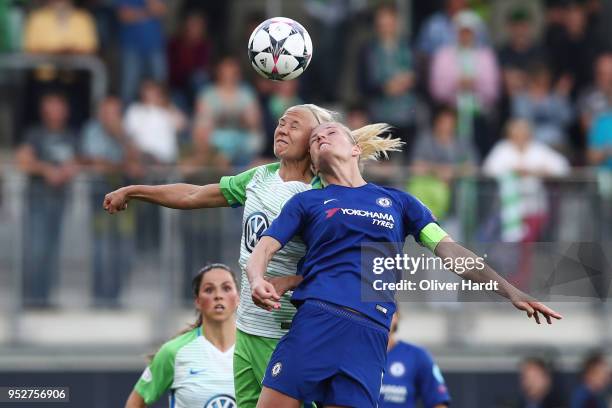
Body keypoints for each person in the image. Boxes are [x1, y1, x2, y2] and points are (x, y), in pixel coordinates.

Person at [247, 121, 562, 407]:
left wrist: (511, 291)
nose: (320, 138)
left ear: (355, 148)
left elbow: (452, 253)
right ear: (313, 163)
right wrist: (256, 277)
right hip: (318, 320)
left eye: (330, 132)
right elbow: (264, 247)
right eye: (314, 140)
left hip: (370, 334)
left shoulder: (400, 202)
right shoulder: (306, 202)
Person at [104, 104, 337, 408]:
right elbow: (193, 194)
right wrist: (134, 190)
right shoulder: (259, 177)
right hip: (247, 332)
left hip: (287, 336)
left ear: (313, 139)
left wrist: (289, 281)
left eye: (294, 125)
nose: (282, 128)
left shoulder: (324, 196)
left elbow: (341, 269)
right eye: (281, 122)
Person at [125, 263, 239, 408]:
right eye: (209, 290)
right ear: (197, 301)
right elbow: (135, 402)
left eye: (226, 288)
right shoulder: (173, 351)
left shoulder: (254, 348)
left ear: (238, 298)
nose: (218, 296)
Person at [16, 91, 79, 307]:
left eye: (59, 107)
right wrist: (46, 170)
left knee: (51, 251)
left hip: (59, 202)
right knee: (35, 250)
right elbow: (23, 160)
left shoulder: (70, 136)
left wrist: (68, 171)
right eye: (52, 107)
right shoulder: (34, 134)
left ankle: (44, 299)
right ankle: (30, 299)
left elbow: (78, 161)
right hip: (38, 202)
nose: (56, 112)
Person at [81, 95, 142, 307]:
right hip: (99, 202)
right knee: (101, 252)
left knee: (125, 253)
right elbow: (94, 162)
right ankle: (99, 298)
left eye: (115, 113)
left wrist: (121, 137)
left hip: (125, 206)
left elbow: (137, 163)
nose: (110, 118)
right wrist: (120, 165)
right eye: (107, 113)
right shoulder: (92, 131)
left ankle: (116, 297)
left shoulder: (126, 134)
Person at [358, 3, 420, 161]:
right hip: (380, 117)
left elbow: (421, 78)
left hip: (408, 115)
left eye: (389, 22)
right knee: (383, 163)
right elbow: (363, 85)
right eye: (382, 23)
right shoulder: (368, 50)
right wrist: (385, 88)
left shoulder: (409, 46)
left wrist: (408, 80)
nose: (386, 27)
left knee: (409, 161)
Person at [192, 56, 263, 167]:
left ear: (238, 74)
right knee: (205, 136)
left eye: (232, 73)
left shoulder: (246, 93)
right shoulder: (208, 94)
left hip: (241, 137)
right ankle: (221, 161)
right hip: (217, 137)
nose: (229, 76)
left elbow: (254, 122)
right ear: (219, 73)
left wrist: (243, 119)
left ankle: (227, 159)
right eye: (225, 73)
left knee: (255, 140)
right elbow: (203, 122)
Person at [379, 312, 450, 408]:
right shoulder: (357, 353)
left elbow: (438, 402)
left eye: (389, 312)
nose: (383, 317)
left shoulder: (417, 355)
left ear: (397, 316)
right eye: (378, 311)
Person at [115, 0, 167, 104]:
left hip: (154, 46)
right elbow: (124, 16)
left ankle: (162, 114)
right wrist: (148, 13)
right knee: (129, 86)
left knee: (160, 83)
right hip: (131, 46)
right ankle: (128, 116)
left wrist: (138, 12)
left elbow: (160, 11)